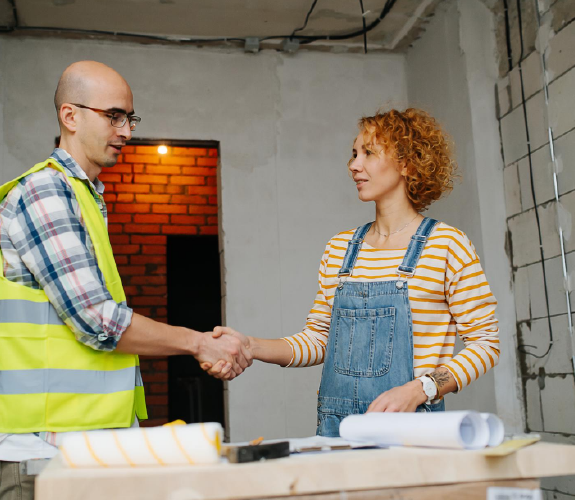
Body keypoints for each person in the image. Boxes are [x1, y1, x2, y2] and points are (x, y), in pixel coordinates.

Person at [0, 61, 251, 500]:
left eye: (129, 118)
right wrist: (198, 343)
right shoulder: (46, 192)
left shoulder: (86, 199)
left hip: (78, 456)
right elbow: (98, 321)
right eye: (113, 116)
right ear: (70, 116)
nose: (126, 131)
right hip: (40, 460)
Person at [213, 108, 500, 436]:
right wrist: (251, 346)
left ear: (407, 163)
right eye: (353, 153)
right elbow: (320, 339)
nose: (354, 165)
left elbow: (485, 344)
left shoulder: (447, 245)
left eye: (369, 153)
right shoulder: (339, 248)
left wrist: (421, 389)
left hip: (416, 431)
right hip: (338, 429)